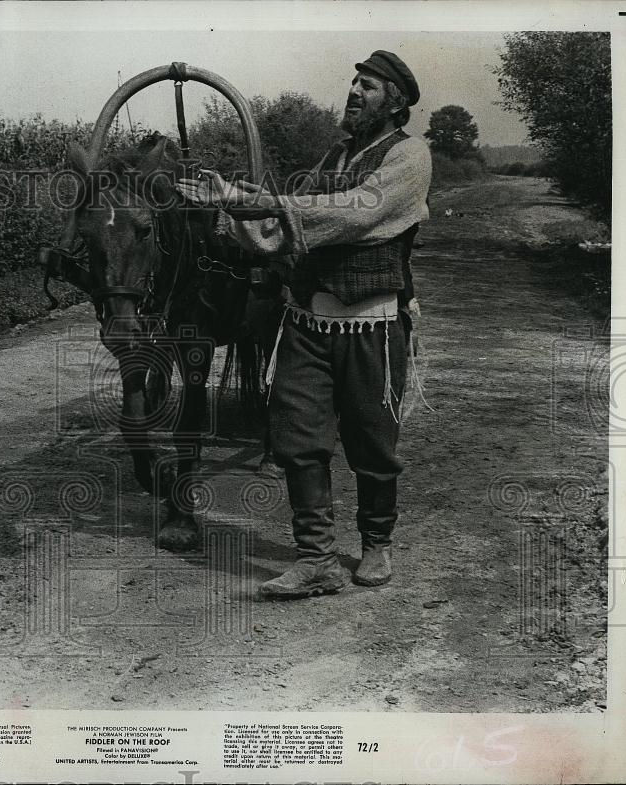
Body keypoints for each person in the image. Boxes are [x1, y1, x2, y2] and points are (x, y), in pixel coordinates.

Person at [176, 50, 431, 597]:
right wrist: (228, 204)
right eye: (354, 83)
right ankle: (317, 559)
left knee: (372, 445)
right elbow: (290, 218)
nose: (355, 93)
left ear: (396, 102)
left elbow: (354, 212)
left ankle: (376, 545)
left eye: (368, 86)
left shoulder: (410, 157)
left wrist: (251, 199)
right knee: (297, 439)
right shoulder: (337, 154)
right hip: (306, 324)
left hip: (372, 327)